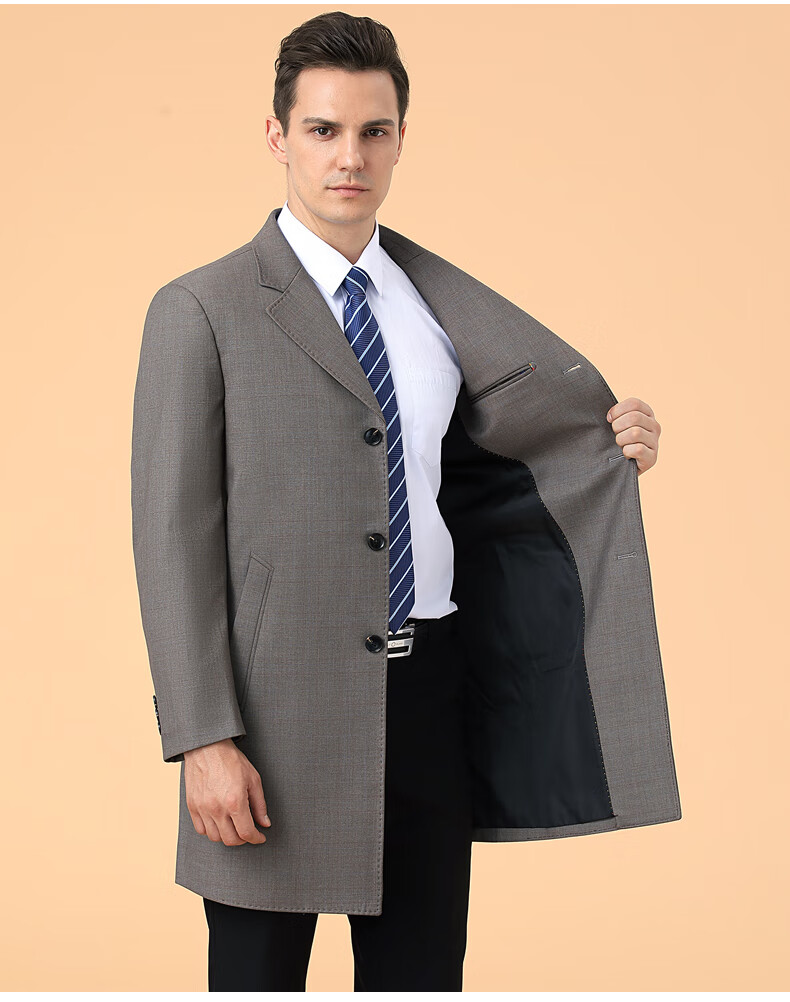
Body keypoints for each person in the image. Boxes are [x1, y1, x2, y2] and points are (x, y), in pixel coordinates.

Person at [131, 11, 677, 992]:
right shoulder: (201, 310)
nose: (350, 157)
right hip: (273, 717)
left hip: (428, 696)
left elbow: (491, 465)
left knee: (421, 979)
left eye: (372, 131)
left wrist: (610, 444)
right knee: (255, 981)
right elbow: (171, 538)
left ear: (399, 140)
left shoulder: (438, 307)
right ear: (277, 137)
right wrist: (202, 738)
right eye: (323, 129)